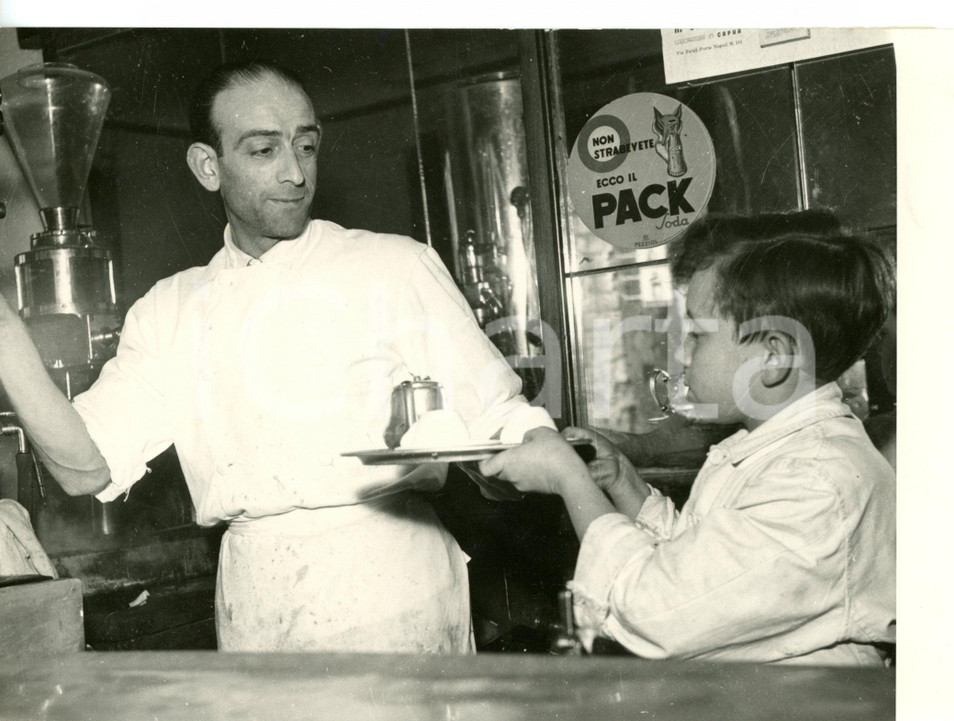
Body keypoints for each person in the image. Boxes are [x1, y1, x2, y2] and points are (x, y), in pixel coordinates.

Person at [0, 60, 552, 653]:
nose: (295, 173)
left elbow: (502, 417)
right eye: (264, 151)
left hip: (393, 592)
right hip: (255, 600)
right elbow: (85, 467)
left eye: (306, 146)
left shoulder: (392, 265)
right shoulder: (170, 310)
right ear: (207, 167)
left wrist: (565, 467)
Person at [480, 210, 896, 665]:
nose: (682, 352)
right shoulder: (782, 452)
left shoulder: (815, 481)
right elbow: (705, 569)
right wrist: (625, 485)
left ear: (773, 358)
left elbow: (653, 609)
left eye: (698, 334)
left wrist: (568, 479)